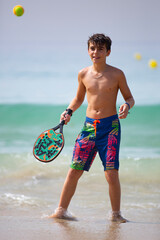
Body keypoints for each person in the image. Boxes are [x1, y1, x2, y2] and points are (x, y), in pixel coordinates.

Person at [50, 33, 135, 222]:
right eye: (92, 48)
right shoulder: (83, 74)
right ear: (88, 50)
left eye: (100, 49)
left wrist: (126, 106)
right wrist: (69, 111)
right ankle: (61, 211)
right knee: (74, 170)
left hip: (110, 127)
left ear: (108, 52)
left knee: (111, 173)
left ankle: (116, 215)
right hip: (89, 127)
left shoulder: (117, 74)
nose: (95, 52)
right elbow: (79, 98)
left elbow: (130, 97)